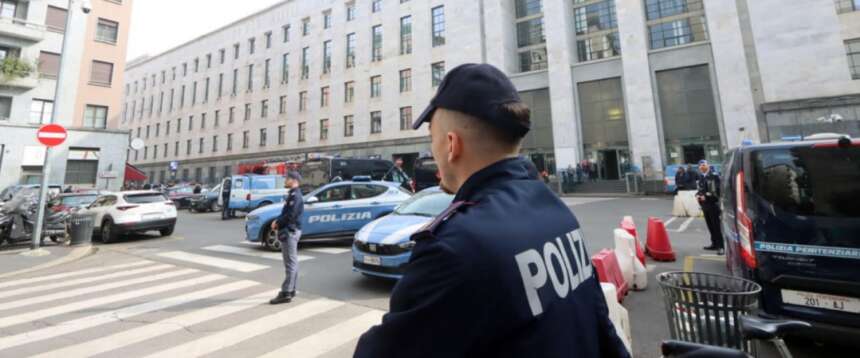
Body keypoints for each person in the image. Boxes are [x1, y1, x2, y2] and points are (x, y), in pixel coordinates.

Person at [353, 64, 629, 358]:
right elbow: (602, 327)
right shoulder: (557, 212)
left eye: (431, 138)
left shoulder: (453, 247)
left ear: (451, 144)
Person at [269, 171, 304, 304]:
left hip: (290, 231)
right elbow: (286, 212)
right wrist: (277, 220)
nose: (285, 180)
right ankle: (291, 289)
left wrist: (277, 223)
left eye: (287, 178)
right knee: (292, 262)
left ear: (293, 180)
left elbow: (291, 216)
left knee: (290, 263)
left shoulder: (295, 196)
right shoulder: (293, 194)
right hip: (291, 230)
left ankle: (286, 292)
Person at [696, 160, 723, 255]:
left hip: (713, 205)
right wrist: (698, 195)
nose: (702, 167)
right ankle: (714, 244)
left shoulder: (714, 176)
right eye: (700, 165)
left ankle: (721, 246)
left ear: (708, 165)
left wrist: (706, 196)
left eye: (704, 165)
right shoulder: (701, 177)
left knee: (716, 226)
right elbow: (700, 189)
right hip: (705, 206)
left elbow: (717, 191)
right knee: (710, 226)